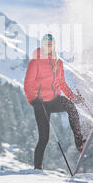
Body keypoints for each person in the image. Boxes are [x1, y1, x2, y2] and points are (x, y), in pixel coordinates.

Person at [24, 33, 85, 170]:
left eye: (51, 44)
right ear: (42, 45)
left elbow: (62, 83)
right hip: (40, 103)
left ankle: (79, 141)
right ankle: (37, 167)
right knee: (44, 138)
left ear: (54, 46)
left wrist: (73, 97)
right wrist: (33, 100)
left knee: (71, 107)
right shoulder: (35, 62)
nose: (48, 45)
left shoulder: (58, 63)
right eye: (46, 43)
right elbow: (28, 84)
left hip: (55, 99)